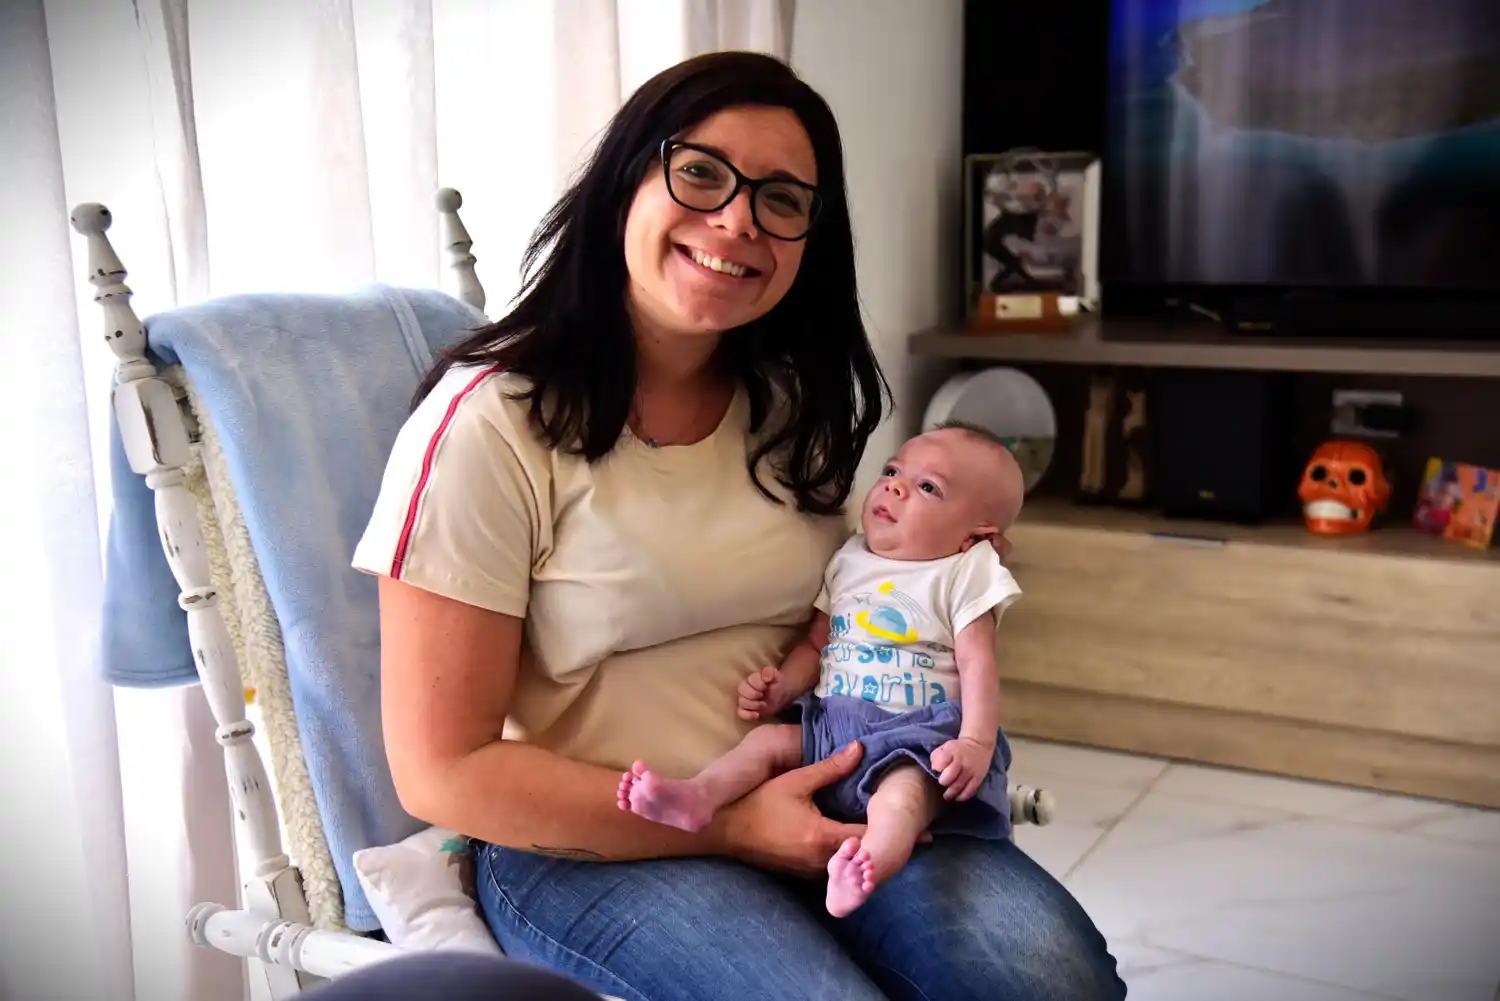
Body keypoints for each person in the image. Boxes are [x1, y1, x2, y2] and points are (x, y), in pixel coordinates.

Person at [356, 50, 1125, 1001]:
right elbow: (443, 770)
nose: (736, 221)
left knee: (1048, 983)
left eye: (782, 199)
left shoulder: (790, 403)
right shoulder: (488, 427)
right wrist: (732, 823)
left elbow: (854, 609)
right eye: (701, 173)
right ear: (624, 182)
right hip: (592, 846)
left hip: (836, 772)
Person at [619, 424, 1028, 918]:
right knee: (765, 744)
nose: (895, 486)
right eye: (893, 471)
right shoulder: (850, 559)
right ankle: (698, 797)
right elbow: (818, 642)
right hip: (835, 723)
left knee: (900, 800)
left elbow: (977, 663)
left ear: (975, 538)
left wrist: (975, 743)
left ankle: (867, 863)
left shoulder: (964, 572)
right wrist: (781, 688)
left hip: (913, 738)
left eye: (928, 488)